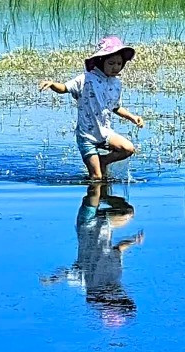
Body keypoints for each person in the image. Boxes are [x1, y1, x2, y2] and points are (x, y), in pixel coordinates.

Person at [39, 35, 145, 180]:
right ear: (101, 61)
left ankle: (103, 161)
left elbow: (115, 107)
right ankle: (94, 195)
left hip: (105, 133)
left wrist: (133, 117)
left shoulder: (116, 84)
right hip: (87, 136)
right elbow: (64, 88)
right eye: (111, 63)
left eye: (119, 63)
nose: (116, 67)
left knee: (128, 149)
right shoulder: (85, 79)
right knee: (96, 178)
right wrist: (52, 84)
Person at [41, 181, 144, 326]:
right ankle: (104, 190)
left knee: (94, 189)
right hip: (105, 223)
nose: (122, 294)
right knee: (127, 212)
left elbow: (66, 273)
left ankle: (100, 185)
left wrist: (52, 280)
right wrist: (133, 241)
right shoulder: (115, 276)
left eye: (118, 299)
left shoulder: (87, 282)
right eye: (123, 298)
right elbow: (118, 249)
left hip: (87, 223)